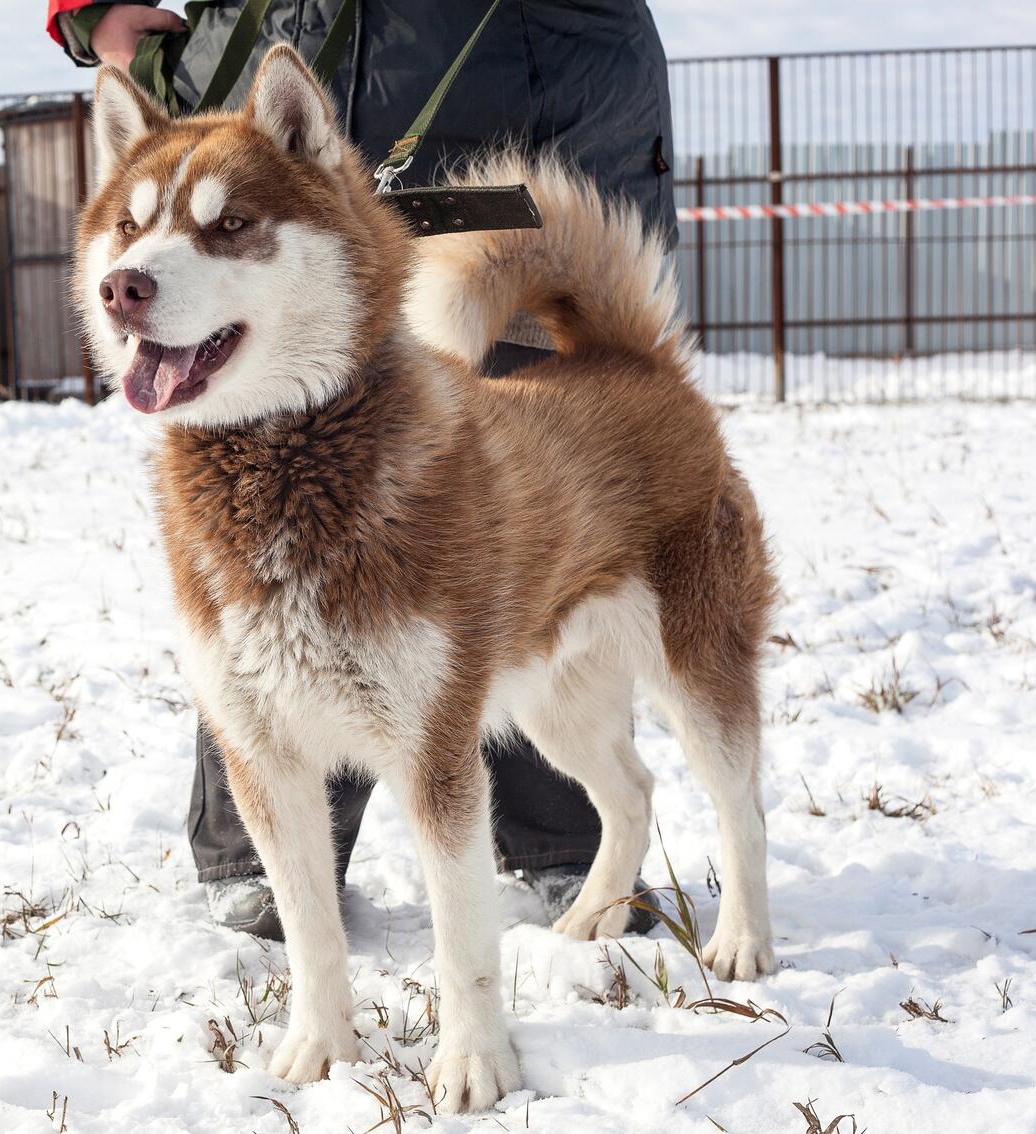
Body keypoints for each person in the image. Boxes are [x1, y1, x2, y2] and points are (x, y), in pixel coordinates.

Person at [45, 0, 676, 939]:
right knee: (245, 494)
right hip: (273, 39)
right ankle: (267, 856)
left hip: (519, 59)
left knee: (516, 490)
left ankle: (563, 840)